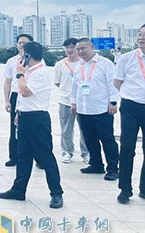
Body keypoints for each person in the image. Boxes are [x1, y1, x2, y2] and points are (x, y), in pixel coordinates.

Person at [0, 41, 64, 208]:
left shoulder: (40, 72)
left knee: (45, 157)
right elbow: (21, 96)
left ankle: (56, 193)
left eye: (22, 54)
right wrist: (18, 113)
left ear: (27, 56)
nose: (20, 57)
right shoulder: (30, 71)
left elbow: (25, 92)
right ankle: (18, 190)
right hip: (25, 117)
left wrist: (19, 75)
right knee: (23, 156)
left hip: (37, 119)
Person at [70, 38, 119, 181]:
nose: (80, 52)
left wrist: (113, 102)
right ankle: (96, 164)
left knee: (107, 140)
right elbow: (75, 86)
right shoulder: (78, 65)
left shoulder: (105, 64)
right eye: (78, 49)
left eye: (83, 48)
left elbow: (112, 84)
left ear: (92, 47)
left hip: (102, 109)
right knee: (90, 139)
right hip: (84, 109)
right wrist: (73, 102)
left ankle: (113, 168)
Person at [113, 25, 145, 203]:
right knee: (127, 148)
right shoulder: (127, 58)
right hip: (131, 107)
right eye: (140, 35)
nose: (141, 38)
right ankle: (125, 189)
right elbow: (117, 82)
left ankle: (144, 188)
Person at [53, 38, 90, 164]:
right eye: (66, 48)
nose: (69, 50)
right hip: (65, 101)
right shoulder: (60, 64)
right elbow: (57, 82)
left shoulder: (84, 63)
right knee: (66, 129)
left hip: (83, 101)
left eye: (72, 47)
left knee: (85, 129)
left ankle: (86, 153)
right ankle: (67, 152)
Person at [3, 34, 33, 166]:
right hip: (16, 95)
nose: (22, 45)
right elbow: (7, 82)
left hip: (30, 95)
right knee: (14, 127)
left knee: (30, 128)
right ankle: (14, 156)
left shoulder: (35, 61)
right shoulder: (11, 61)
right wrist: (7, 100)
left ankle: (35, 157)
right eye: (20, 43)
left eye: (25, 43)